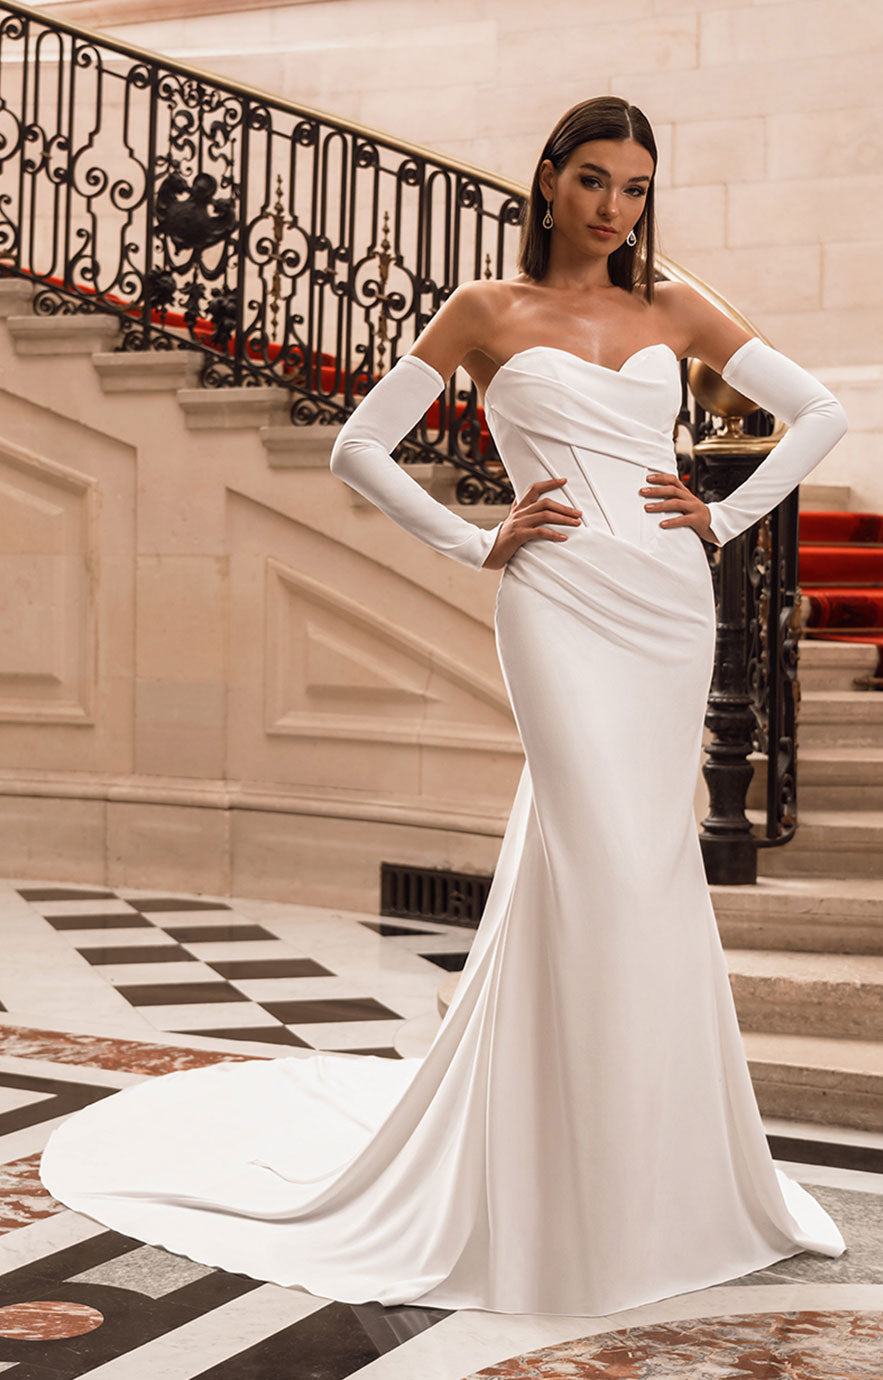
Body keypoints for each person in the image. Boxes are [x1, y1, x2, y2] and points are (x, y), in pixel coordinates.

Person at [41, 96, 848, 1318]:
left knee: (644, 870)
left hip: (668, 605)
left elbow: (822, 412)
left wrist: (720, 516)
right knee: (595, 861)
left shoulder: (672, 307)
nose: (613, 207)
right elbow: (357, 446)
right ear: (548, 179)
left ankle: (654, 1176)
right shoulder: (484, 310)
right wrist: (474, 540)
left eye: (634, 187)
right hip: (557, 600)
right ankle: (560, 1183)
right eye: (592, 180)